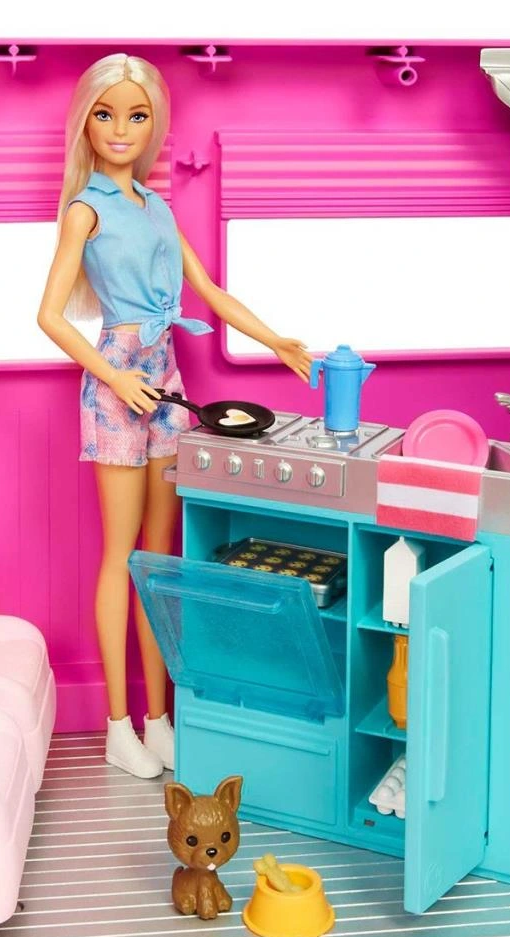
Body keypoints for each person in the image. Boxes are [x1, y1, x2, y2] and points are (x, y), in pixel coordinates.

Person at [37, 54, 312, 779]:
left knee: (160, 562)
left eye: (137, 116)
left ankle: (158, 719)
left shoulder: (155, 206)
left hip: (167, 382)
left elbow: (209, 291)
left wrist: (275, 339)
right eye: (106, 115)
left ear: (154, 124)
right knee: (119, 556)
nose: (120, 129)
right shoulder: (86, 209)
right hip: (119, 385)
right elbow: (50, 315)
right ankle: (117, 725)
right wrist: (114, 377)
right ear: (86, 123)